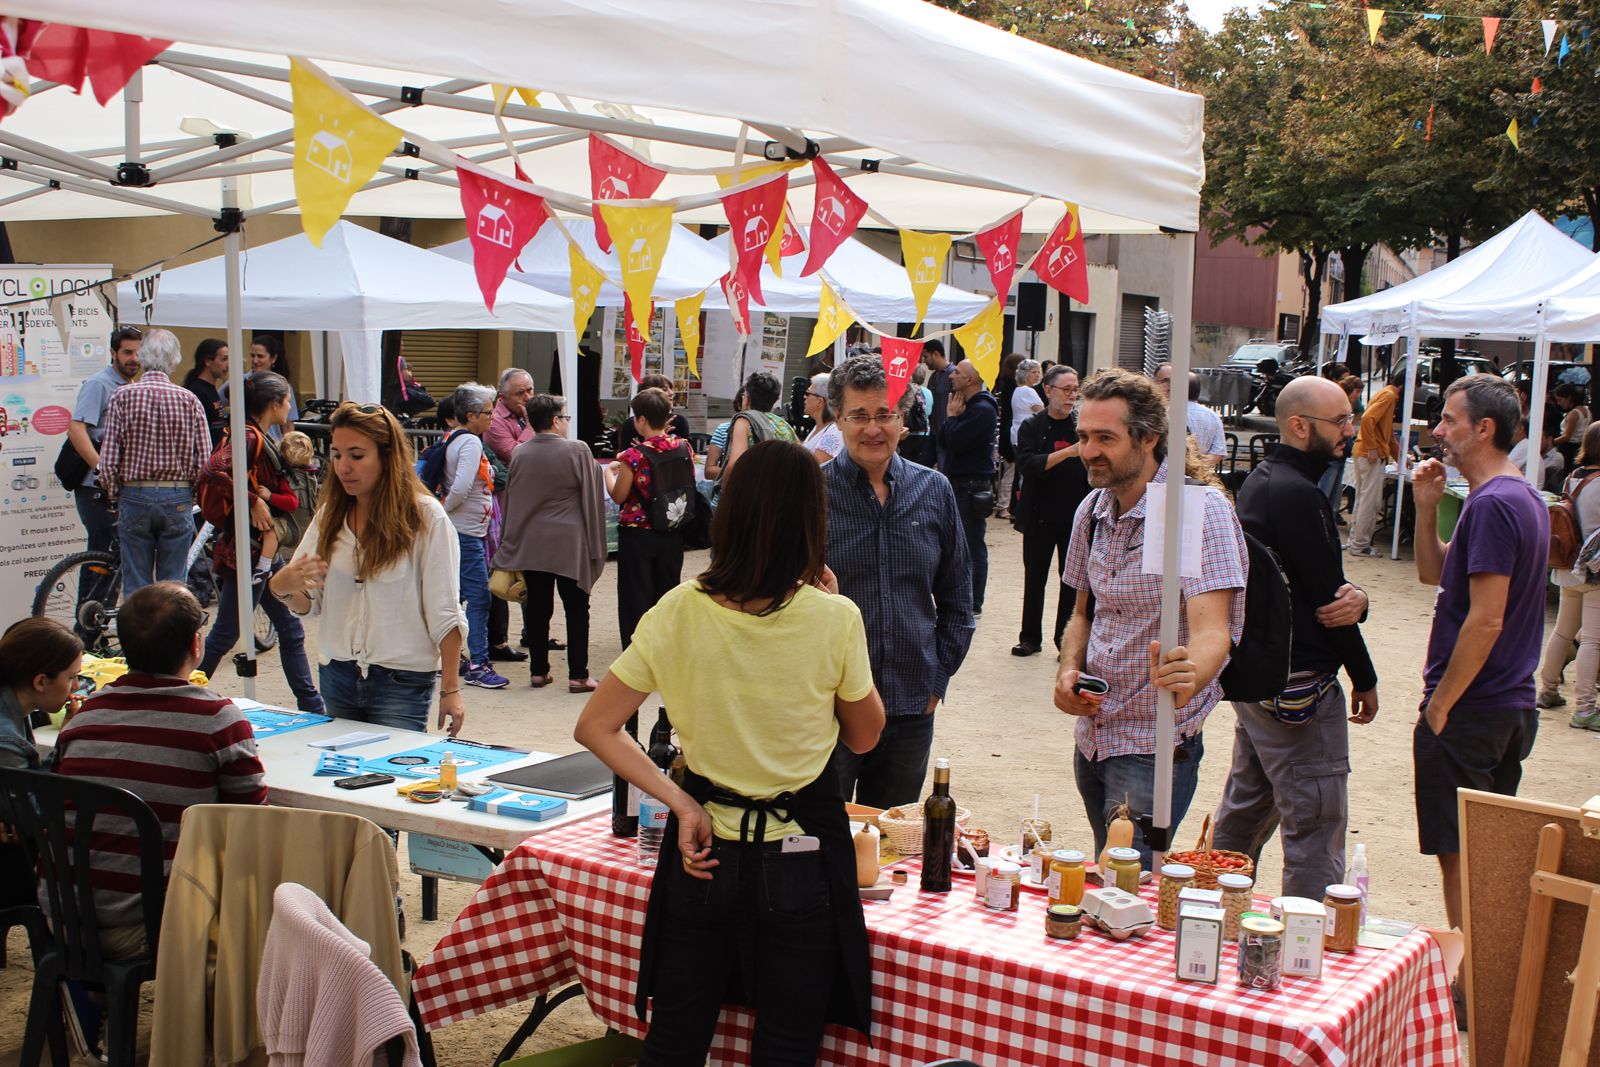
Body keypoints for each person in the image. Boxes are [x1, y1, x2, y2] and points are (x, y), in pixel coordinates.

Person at [575, 439, 884, 1065]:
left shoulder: (679, 609)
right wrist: (831, 607)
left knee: (674, 1037)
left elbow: (597, 726)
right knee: (788, 1045)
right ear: (809, 521)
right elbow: (865, 734)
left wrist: (681, 803)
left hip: (704, 847)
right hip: (800, 851)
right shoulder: (833, 616)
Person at [1052, 368, 1248, 865]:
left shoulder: (1190, 510)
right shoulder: (1092, 510)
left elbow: (1213, 631)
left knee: (1127, 881)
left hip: (1153, 739)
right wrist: (1068, 669)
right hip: (1095, 733)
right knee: (1107, 870)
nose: (1089, 450)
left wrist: (1190, 672)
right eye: (1083, 437)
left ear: (1149, 438)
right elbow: (1082, 613)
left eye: (1105, 438)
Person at [1211, 377, 1379, 900]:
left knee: (1246, 809)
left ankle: (1211, 912)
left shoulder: (1264, 480)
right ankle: (1303, 952)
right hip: (1297, 687)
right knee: (1313, 823)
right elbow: (1332, 603)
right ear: (1299, 426)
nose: (1350, 431)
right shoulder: (1296, 492)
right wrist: (1365, 677)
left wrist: (1356, 599)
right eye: (1341, 421)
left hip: (1263, 681)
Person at [53, 582, 267, 958]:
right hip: (147, 924)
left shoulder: (86, 715)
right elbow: (251, 823)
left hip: (63, 913)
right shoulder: (216, 720)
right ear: (196, 646)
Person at [1411, 374, 1547, 931]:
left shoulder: (1495, 503)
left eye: (1450, 419)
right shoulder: (1512, 496)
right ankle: (1482, 980)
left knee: (1461, 859)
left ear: (1483, 429)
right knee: (1479, 856)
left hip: (1474, 709)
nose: (1440, 431)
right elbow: (1433, 574)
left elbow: (1485, 619)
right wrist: (1426, 507)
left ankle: (1471, 984)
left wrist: (1439, 707)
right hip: (1506, 707)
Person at [824, 356, 974, 808]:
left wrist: (935, 682)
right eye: (860, 416)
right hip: (829, 709)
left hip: (911, 707)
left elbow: (957, 601)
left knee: (892, 844)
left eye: (885, 414)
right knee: (821, 837)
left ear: (902, 418)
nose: (874, 429)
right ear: (838, 419)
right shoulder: (810, 494)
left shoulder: (934, 490)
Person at [269, 402, 468, 736]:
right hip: (337, 675)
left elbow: (445, 612)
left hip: (401, 682)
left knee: (392, 782)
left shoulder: (426, 518)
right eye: (336, 455)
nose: (344, 466)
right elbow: (309, 603)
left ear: (387, 456)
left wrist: (451, 688)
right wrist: (283, 587)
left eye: (357, 455)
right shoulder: (330, 515)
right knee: (338, 781)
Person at [197, 373, 325, 713]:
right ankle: (183, 693)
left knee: (289, 628)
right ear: (274, 403)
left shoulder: (255, 434)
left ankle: (312, 704)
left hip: (255, 549)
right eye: (287, 400)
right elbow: (212, 470)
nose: (289, 406)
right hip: (248, 550)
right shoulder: (249, 435)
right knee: (225, 634)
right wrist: (253, 499)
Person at [495, 394, 608, 692]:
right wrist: (596, 543)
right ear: (556, 420)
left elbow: (514, 500)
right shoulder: (577, 450)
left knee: (537, 606)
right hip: (569, 541)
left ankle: (538, 671)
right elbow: (591, 496)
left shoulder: (520, 453)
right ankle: (578, 674)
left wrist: (510, 541)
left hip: (532, 540)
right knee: (576, 606)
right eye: (565, 417)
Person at [97, 328, 211, 596]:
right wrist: (193, 493)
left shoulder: (122, 396)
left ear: (143, 357)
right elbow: (204, 460)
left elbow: (110, 458)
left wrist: (114, 493)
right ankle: (172, 634)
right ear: (174, 361)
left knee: (136, 580)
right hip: (177, 495)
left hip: (135, 492)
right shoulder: (189, 400)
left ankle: (138, 635)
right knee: (173, 585)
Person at [0, 617, 83, 911]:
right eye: (72, 677)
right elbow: (32, 817)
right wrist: (68, 741)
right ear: (40, 681)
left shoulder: (12, 705)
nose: (77, 685)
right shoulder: (7, 741)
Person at [608, 388, 693, 648]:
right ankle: (665, 651)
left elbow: (620, 495)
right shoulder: (684, 446)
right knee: (666, 593)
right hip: (672, 528)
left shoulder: (632, 457)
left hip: (638, 532)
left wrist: (608, 475)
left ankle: (637, 655)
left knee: (635, 596)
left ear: (642, 420)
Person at [1012, 365, 1088, 657]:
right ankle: (1030, 637)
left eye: (1075, 389)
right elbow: (1027, 465)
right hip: (1038, 514)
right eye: (1066, 389)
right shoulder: (1032, 426)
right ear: (1048, 390)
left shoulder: (1080, 427)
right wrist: (1068, 453)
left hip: (1075, 517)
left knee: (1071, 582)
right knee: (1035, 579)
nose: (1071, 396)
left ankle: (1064, 641)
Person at [439, 383, 509, 690]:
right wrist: (443, 512)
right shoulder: (469, 444)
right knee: (479, 597)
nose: (492, 417)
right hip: (465, 532)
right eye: (487, 413)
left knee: (457, 596)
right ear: (470, 415)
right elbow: (461, 487)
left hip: (467, 531)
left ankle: (449, 657)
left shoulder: (458, 439)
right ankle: (478, 664)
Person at [1539, 423, 1600, 725]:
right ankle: (1586, 709)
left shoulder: (1574, 476)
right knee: (1592, 639)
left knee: (1563, 631)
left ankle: (1547, 689)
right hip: (1594, 572)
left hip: (1569, 566)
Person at [67, 326, 141, 562]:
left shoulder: (132, 386)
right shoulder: (99, 384)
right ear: (113, 353)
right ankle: (88, 601)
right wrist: (102, 470)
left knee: (116, 559)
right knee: (100, 557)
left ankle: (105, 601)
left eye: (138, 353)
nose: (134, 359)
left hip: (120, 487)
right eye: (127, 353)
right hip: (95, 488)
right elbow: (76, 429)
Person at [481, 368, 537, 663]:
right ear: (502, 397)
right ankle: (498, 641)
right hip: (504, 509)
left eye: (530, 391)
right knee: (500, 572)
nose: (528, 397)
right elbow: (516, 454)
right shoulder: (495, 422)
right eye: (520, 393)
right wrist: (535, 425)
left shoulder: (520, 416)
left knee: (534, 570)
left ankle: (534, 631)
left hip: (530, 505)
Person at [939, 358, 999, 616]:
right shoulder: (970, 406)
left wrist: (952, 418)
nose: (952, 376)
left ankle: (974, 601)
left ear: (971, 380)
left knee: (972, 545)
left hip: (971, 487)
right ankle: (961, 596)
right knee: (956, 545)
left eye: (958, 373)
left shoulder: (982, 409)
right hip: (960, 484)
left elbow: (955, 441)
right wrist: (951, 420)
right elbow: (943, 438)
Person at [1347, 364, 1408, 557]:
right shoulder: (1389, 396)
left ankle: (1355, 541)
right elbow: (1368, 419)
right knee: (1370, 501)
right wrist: (1373, 446)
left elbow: (1386, 432)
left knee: (1362, 498)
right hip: (1369, 453)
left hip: (1364, 451)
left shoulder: (1386, 394)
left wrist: (1398, 455)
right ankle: (1360, 544)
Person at [719, 371, 796, 483]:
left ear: (746, 398)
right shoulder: (784, 425)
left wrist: (725, 493)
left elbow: (734, 465)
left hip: (752, 492)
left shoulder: (744, 422)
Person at [1153, 363, 1226, 468]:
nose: (1171, 385)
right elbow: (1218, 453)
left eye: (1175, 380)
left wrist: (1191, 469)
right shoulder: (1150, 411)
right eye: (1165, 381)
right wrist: (1198, 467)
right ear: (1154, 382)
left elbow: (1219, 452)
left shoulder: (1169, 412)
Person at [1001, 358, 1043, 518]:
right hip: (1025, 436)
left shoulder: (1018, 390)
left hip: (1016, 434)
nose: (1037, 375)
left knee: (1020, 474)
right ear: (1025, 374)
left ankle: (1017, 508)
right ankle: (1022, 508)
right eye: (1034, 372)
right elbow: (1042, 412)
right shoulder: (1028, 391)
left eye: (1038, 372)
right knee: (1025, 475)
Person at [614, 373, 693, 454]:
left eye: (671, 388)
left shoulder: (679, 421)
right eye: (664, 389)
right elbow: (625, 456)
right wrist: (652, 443)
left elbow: (688, 453)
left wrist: (663, 440)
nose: (671, 393)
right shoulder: (630, 424)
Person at [248, 334, 298, 439]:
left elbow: (288, 425)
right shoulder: (241, 381)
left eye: (260, 356)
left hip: (274, 443)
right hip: (252, 439)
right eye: (252, 356)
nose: (255, 360)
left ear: (273, 358)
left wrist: (288, 449)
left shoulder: (283, 386)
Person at [182, 338, 230, 448]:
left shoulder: (211, 389)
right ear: (208, 361)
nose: (227, 365)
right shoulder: (197, 391)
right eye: (223, 359)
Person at [702, 386, 746, 485]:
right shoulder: (724, 429)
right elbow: (709, 471)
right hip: (727, 492)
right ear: (739, 404)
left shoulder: (772, 430)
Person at [921, 339, 956, 463]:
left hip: (946, 433)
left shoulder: (954, 375)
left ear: (935, 354)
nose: (924, 361)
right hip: (933, 432)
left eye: (926, 356)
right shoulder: (934, 376)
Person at [1508, 417, 1564, 492]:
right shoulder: (1525, 445)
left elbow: (1500, 470)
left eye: (1510, 426)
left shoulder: (1524, 446)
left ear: (1520, 428)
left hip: (1527, 493)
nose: (1507, 431)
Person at [801, 372, 843, 463]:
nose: (804, 397)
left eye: (808, 393)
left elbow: (816, 467)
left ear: (820, 402)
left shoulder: (835, 431)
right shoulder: (818, 427)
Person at [1555, 381, 1592, 469]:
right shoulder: (1587, 411)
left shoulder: (1573, 414)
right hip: (1581, 446)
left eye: (1560, 400)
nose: (1559, 403)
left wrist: (1553, 442)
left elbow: (1567, 436)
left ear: (1569, 398)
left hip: (1568, 449)